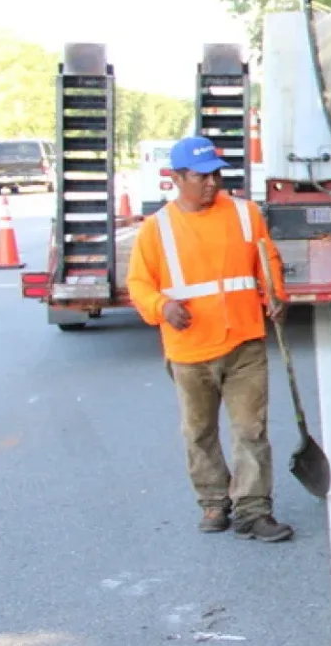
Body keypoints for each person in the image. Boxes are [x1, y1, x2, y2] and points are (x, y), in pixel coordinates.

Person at [127, 136, 293, 542]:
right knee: (199, 431)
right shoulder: (156, 229)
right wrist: (162, 306)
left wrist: (275, 294)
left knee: (250, 429)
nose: (212, 184)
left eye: (216, 175)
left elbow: (266, 260)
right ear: (176, 178)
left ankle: (253, 511)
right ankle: (214, 500)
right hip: (189, 351)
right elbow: (138, 283)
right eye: (201, 177)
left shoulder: (244, 213)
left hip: (244, 342)